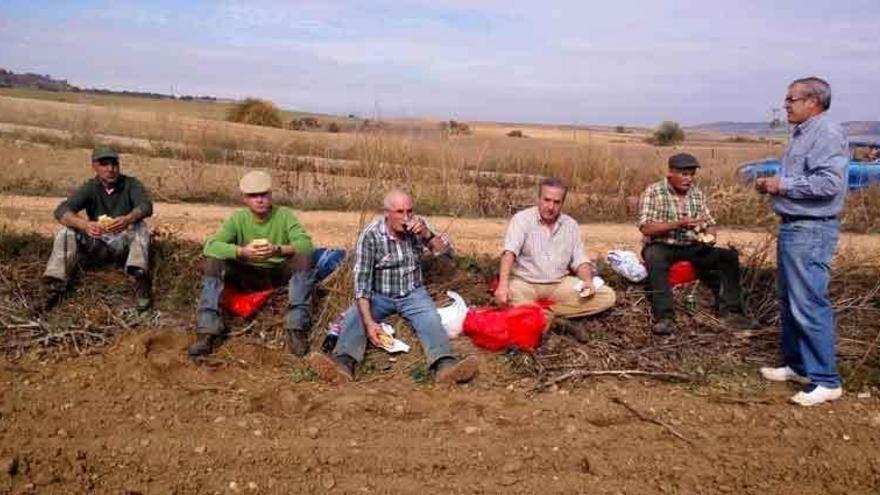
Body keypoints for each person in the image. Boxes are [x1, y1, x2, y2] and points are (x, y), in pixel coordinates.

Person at [307, 189, 478, 384]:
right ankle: (343, 364)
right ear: (387, 213)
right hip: (380, 294)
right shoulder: (371, 236)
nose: (406, 217)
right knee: (355, 317)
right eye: (399, 212)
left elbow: (446, 253)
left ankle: (445, 365)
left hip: (413, 292)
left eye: (409, 211)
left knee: (430, 318)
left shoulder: (418, 228)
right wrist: (370, 323)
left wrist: (427, 234)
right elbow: (362, 283)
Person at [755, 77, 848, 406]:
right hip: (795, 227)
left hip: (812, 229)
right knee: (790, 299)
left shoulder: (826, 133)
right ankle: (799, 366)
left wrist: (781, 185)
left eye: (791, 99)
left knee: (808, 302)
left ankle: (826, 379)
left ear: (814, 102)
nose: (786, 104)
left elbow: (829, 183)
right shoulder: (803, 133)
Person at [189, 170, 315, 357]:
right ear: (244, 199)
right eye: (253, 196)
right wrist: (241, 252)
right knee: (213, 261)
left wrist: (277, 250)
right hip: (246, 273)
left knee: (303, 259)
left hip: (276, 274)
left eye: (263, 194)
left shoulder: (284, 215)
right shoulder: (238, 218)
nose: (259, 200)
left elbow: (306, 244)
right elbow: (211, 245)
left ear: (271, 195)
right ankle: (207, 331)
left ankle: (296, 329)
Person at [638, 153, 758, 335]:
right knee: (654, 257)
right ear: (670, 173)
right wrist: (677, 224)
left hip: (690, 245)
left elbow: (710, 224)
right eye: (684, 174)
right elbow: (646, 228)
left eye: (692, 174)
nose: (689, 179)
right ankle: (665, 317)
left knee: (728, 257)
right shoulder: (653, 192)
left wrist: (709, 236)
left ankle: (732, 312)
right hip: (662, 244)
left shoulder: (697, 194)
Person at [493, 177, 616, 342]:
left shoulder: (570, 225)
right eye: (546, 200)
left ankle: (549, 315)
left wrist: (587, 281)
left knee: (606, 296)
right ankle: (555, 320)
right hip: (525, 282)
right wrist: (502, 285)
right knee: (508, 296)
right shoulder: (522, 220)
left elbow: (580, 259)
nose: (550, 207)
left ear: (562, 203)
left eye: (557, 202)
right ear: (538, 198)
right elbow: (509, 253)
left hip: (559, 283)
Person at [41, 146, 153, 311]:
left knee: (140, 225)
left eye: (114, 164)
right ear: (94, 166)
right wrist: (85, 225)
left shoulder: (131, 184)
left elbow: (146, 206)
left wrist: (127, 219)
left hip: (122, 245)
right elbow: (61, 211)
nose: (110, 169)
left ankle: (138, 277)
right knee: (67, 231)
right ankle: (54, 285)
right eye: (104, 164)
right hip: (97, 242)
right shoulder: (90, 187)